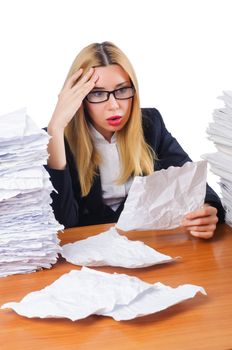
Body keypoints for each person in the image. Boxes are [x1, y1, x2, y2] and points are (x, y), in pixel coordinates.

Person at [46, 41, 225, 239]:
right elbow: (62, 223)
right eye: (97, 93)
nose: (114, 106)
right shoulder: (57, 139)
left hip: (143, 246)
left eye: (122, 90)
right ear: (78, 98)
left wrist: (208, 208)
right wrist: (55, 129)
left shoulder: (150, 124)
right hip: (82, 254)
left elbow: (189, 178)